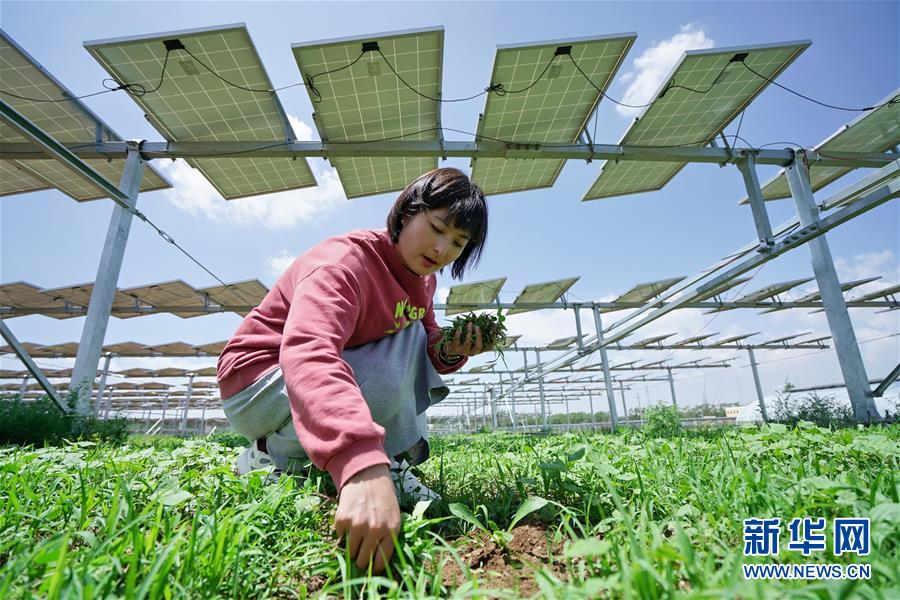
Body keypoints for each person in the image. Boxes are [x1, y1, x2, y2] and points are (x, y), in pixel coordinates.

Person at [216, 167, 490, 574]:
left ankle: (391, 458)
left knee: (413, 332)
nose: (442, 248)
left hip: (295, 384)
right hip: (257, 383)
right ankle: (269, 456)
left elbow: (426, 350)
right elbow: (309, 350)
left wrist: (450, 349)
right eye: (436, 227)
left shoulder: (423, 283)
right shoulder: (345, 264)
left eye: (458, 242)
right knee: (403, 337)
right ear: (405, 213)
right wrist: (359, 462)